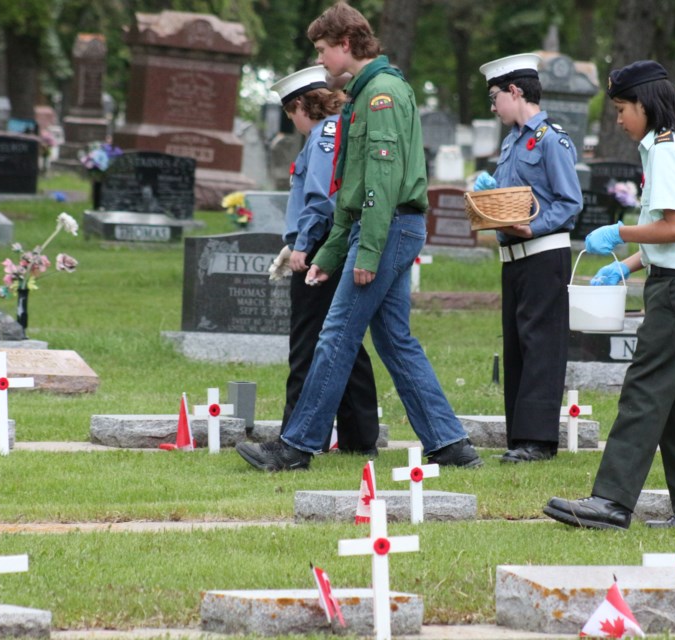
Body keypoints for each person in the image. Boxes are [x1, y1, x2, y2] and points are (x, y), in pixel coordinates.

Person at [236, 1, 482, 472]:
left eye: (324, 50)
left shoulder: (381, 94)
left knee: (336, 335)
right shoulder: (365, 93)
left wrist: (366, 250)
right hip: (382, 227)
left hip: (386, 229)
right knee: (394, 341)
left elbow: (382, 183)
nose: (322, 61)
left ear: (346, 45)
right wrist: (330, 252)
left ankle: (296, 446)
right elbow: (352, 188)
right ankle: (451, 445)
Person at [543, 60, 675, 530]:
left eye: (622, 108)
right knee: (673, 398)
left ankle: (611, 501)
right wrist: (628, 261)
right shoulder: (672, 146)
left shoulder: (665, 151)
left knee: (644, 389)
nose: (619, 118)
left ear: (645, 105)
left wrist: (619, 231)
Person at [472, 54, 583, 463]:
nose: (493, 105)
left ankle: (538, 440)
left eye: (495, 96)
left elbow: (570, 204)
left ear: (515, 92)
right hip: (513, 257)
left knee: (541, 346)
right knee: (518, 346)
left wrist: (532, 227)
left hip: (542, 253)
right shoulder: (512, 141)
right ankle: (519, 435)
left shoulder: (552, 139)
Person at [270, 65, 380, 455]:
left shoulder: (321, 137)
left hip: (319, 250)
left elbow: (320, 198)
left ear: (301, 105)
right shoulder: (339, 131)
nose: (293, 123)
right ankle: (359, 437)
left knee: (307, 344)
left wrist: (300, 246)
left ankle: (292, 436)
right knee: (345, 343)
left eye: (290, 114)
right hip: (332, 244)